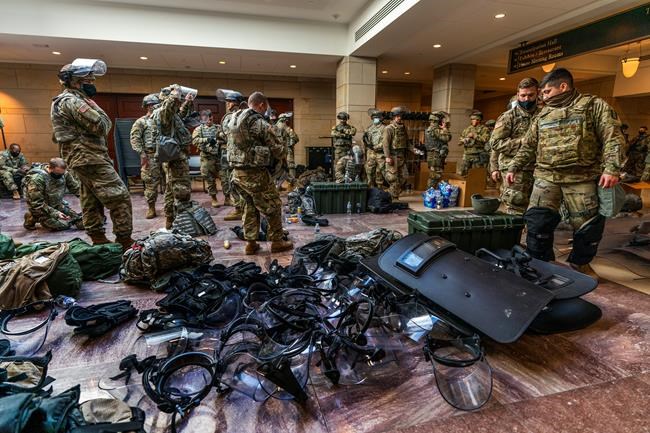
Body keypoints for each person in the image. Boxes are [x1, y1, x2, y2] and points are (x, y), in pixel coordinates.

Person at [506, 68, 625, 276]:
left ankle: (581, 263)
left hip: (581, 178)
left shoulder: (594, 106)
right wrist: (514, 166)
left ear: (563, 86)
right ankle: (540, 263)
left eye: (547, 91)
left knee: (587, 227)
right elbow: (529, 145)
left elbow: (613, 138)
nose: (543, 96)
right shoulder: (543, 114)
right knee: (537, 222)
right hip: (546, 177)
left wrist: (612, 169)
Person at [51, 59, 134, 250]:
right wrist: (95, 106)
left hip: (83, 157)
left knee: (91, 198)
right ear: (74, 82)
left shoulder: (67, 100)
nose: (91, 84)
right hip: (88, 156)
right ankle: (124, 240)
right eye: (88, 81)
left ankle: (97, 238)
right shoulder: (73, 101)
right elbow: (102, 126)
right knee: (119, 196)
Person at [226, 91, 293, 255]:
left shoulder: (233, 120)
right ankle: (277, 242)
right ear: (262, 105)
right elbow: (278, 150)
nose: (266, 111)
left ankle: (251, 244)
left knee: (249, 207)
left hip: (236, 174)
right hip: (255, 174)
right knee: (274, 205)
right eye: (266, 107)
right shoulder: (259, 123)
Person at [489, 77, 541, 214]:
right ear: (518, 95)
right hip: (515, 171)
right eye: (523, 95)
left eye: (530, 95)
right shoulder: (508, 117)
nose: (526, 99)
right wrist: (523, 142)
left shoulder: (544, 114)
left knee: (538, 210)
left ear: (538, 93)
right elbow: (495, 143)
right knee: (516, 206)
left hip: (539, 168)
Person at [152, 84, 194, 229]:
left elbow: (180, 114)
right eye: (177, 101)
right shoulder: (163, 112)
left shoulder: (171, 115)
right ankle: (182, 222)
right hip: (175, 158)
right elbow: (169, 107)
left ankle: (170, 219)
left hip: (174, 155)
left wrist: (187, 101)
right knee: (181, 190)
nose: (178, 103)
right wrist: (175, 93)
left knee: (171, 189)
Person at [23, 157, 83, 231]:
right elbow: (37, 204)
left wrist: (86, 200)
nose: (60, 176)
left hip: (57, 204)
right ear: (50, 168)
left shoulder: (64, 173)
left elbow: (76, 188)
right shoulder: (37, 179)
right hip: (42, 208)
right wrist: (56, 214)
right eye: (57, 173)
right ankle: (32, 216)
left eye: (62, 173)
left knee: (79, 220)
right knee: (64, 226)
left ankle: (60, 217)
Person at [130, 93, 162, 219]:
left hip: (166, 156)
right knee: (150, 183)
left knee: (171, 182)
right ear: (147, 106)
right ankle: (151, 208)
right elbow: (135, 139)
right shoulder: (141, 122)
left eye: (156, 104)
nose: (153, 107)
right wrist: (142, 154)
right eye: (151, 105)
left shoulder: (162, 121)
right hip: (150, 156)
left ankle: (171, 208)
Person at [220, 90, 246, 221]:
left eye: (229, 101)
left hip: (233, 156)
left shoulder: (230, 117)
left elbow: (224, 134)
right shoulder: (246, 115)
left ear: (235, 103)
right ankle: (243, 209)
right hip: (241, 156)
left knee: (234, 183)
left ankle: (239, 210)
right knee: (240, 183)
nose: (228, 104)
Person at [192, 110, 222, 207]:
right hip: (206, 158)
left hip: (218, 157)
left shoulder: (218, 128)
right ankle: (214, 198)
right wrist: (207, 140)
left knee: (225, 178)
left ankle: (228, 198)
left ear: (212, 117)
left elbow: (225, 138)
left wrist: (218, 141)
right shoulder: (199, 129)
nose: (209, 119)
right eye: (206, 117)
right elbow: (195, 141)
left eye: (210, 117)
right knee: (210, 179)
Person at [382, 106, 409, 200]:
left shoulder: (403, 128)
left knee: (404, 177)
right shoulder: (388, 128)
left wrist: (415, 150)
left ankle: (390, 193)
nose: (399, 118)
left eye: (400, 116)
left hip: (401, 157)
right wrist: (387, 156)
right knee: (393, 178)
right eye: (397, 116)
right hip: (393, 156)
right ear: (393, 117)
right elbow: (385, 144)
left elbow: (407, 142)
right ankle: (394, 198)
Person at [457, 111, 490, 176]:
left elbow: (485, 139)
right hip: (467, 154)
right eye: (472, 119)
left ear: (479, 120)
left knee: (476, 174)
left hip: (477, 155)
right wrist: (463, 140)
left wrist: (475, 136)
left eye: (474, 119)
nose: (473, 121)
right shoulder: (467, 129)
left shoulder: (484, 129)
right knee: (462, 173)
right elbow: (460, 140)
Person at [424, 111, 451, 189]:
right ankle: (429, 194)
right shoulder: (435, 130)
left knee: (434, 175)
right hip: (435, 156)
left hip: (433, 155)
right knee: (435, 176)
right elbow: (447, 138)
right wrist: (445, 128)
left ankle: (430, 193)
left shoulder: (429, 129)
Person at [363, 110, 386, 188]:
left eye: (377, 118)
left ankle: (379, 190)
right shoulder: (369, 128)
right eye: (374, 117)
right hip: (370, 153)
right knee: (369, 171)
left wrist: (376, 147)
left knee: (379, 172)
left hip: (380, 153)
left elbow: (385, 141)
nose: (375, 119)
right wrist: (366, 145)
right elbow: (365, 139)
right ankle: (371, 188)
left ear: (381, 118)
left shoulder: (384, 128)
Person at [276, 112, 299, 186]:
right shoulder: (286, 127)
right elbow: (295, 137)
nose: (287, 121)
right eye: (287, 119)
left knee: (278, 167)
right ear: (284, 120)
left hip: (277, 150)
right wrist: (291, 144)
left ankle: (278, 185)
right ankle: (293, 183)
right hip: (286, 149)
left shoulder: (274, 126)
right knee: (291, 165)